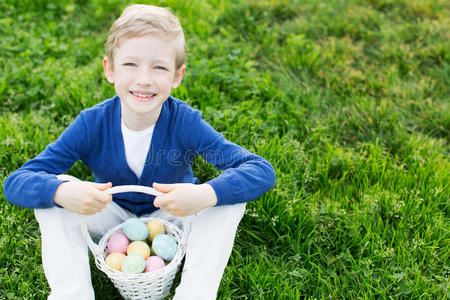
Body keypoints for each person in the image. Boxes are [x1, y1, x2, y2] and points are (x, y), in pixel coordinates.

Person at [3, 4, 276, 300]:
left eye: (158, 67)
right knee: (56, 189)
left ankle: (194, 294)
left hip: (173, 212)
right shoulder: (91, 123)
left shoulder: (185, 122)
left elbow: (260, 170)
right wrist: (62, 193)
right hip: (109, 213)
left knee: (225, 200)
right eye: (131, 65)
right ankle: (73, 294)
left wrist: (204, 195)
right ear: (110, 69)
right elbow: (17, 181)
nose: (144, 79)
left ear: (177, 76)